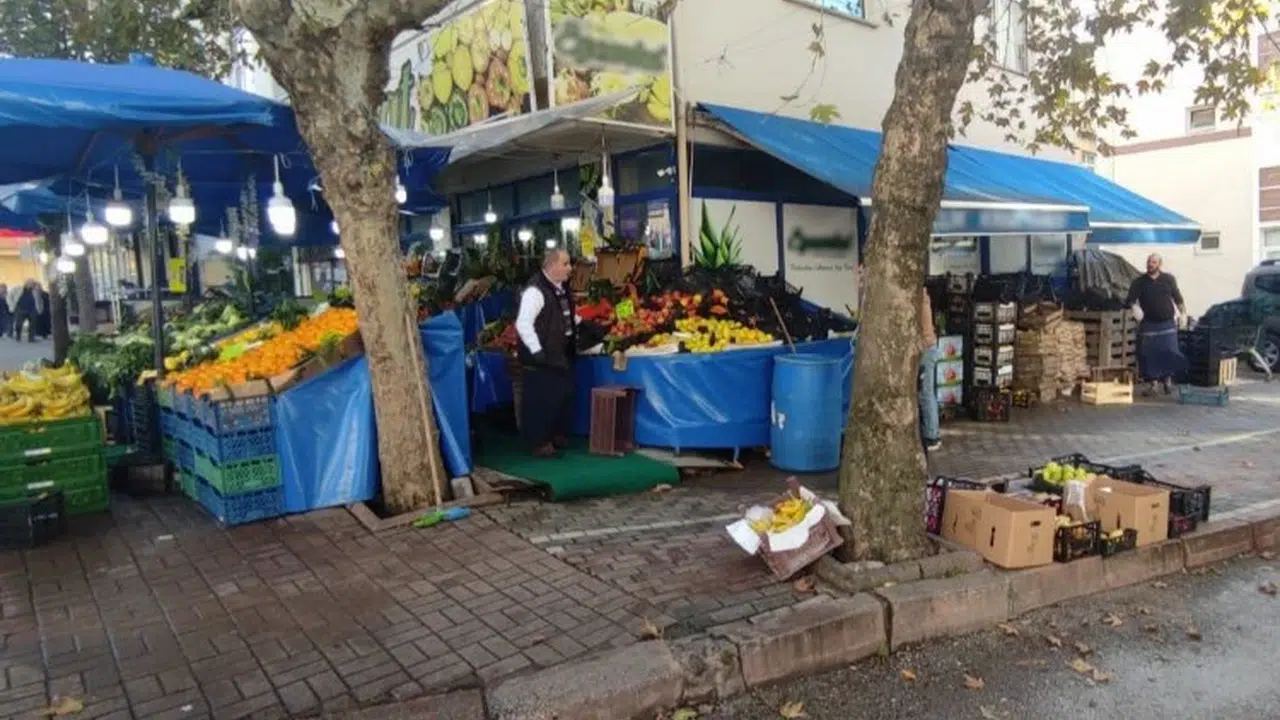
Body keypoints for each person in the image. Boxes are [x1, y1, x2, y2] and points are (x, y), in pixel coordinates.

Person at [514, 249, 577, 458]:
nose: (570, 268)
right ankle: (539, 442)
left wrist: (582, 325)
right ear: (552, 265)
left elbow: (564, 314)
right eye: (565, 264)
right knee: (541, 399)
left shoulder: (560, 289)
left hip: (559, 353)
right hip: (542, 357)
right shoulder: (535, 291)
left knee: (561, 395)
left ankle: (556, 435)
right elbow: (523, 323)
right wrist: (536, 350)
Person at [1125, 253, 1188, 394]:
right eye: (1149, 261)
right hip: (1148, 324)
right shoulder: (1139, 282)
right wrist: (1134, 307)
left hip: (1167, 324)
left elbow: (1178, 298)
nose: (1150, 264)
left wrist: (1183, 313)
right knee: (1149, 355)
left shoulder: (1169, 279)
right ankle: (1153, 385)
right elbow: (1130, 299)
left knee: (1169, 352)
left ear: (1159, 264)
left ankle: (1167, 382)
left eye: (1153, 262)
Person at [919, 287, 941, 451]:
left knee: (926, 394)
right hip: (929, 348)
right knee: (926, 393)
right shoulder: (922, 295)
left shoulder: (918, 298)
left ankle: (932, 436)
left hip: (925, 350)